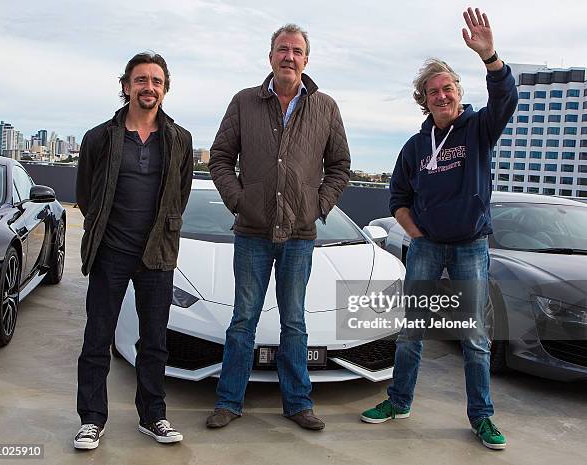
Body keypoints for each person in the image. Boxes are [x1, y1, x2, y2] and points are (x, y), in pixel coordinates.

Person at [360, 7, 517, 450]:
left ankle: (481, 417)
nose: (441, 96)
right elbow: (397, 199)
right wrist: (416, 234)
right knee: (411, 333)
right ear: (423, 100)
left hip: (470, 247)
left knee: (474, 338)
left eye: (447, 88)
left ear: (458, 91)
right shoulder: (414, 146)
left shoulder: (479, 130)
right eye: (433, 92)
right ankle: (398, 401)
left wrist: (490, 58)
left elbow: (505, 99)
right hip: (427, 248)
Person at [206, 24, 350, 431]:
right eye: (282, 49)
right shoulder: (244, 102)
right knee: (243, 320)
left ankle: (298, 403)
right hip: (252, 232)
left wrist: (317, 206)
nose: (289, 56)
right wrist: (241, 200)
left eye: (297, 51)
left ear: (306, 60)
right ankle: (229, 402)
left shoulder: (325, 107)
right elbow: (220, 158)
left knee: (294, 322)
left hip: (300, 235)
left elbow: (339, 166)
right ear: (270, 56)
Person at [74, 52, 193, 449]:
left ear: (165, 89)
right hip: (111, 252)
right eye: (141, 80)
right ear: (126, 86)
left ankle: (153, 416)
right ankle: (92, 419)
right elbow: (87, 195)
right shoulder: (99, 137)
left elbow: (180, 194)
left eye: (156, 81)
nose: (149, 87)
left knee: (155, 341)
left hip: (157, 254)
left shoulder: (180, 139)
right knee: (97, 337)